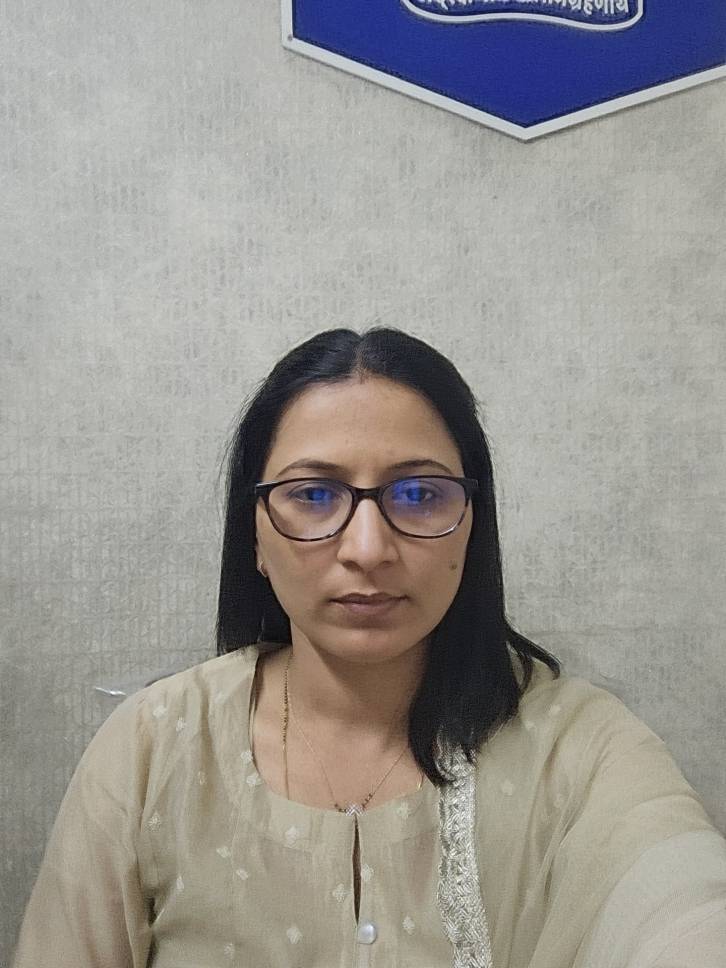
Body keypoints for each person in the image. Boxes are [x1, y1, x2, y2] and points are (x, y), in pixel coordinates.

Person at [12, 327, 726, 968]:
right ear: (254, 534)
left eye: (418, 495)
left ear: (473, 524)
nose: (367, 548)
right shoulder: (153, 747)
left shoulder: (581, 750)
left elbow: (679, 900)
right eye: (313, 495)